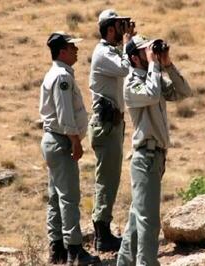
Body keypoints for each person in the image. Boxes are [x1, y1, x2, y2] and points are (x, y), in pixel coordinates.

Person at [117, 35, 192, 266]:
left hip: (156, 156)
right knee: (149, 221)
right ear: (134, 57)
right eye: (144, 50)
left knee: (137, 216)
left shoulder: (154, 77)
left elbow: (183, 92)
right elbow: (150, 94)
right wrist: (153, 65)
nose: (150, 52)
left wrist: (167, 64)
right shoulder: (132, 83)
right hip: (145, 157)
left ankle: (125, 262)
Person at [39, 31, 101, 265]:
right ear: (62, 51)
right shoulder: (62, 77)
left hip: (52, 140)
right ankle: (75, 250)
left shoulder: (54, 74)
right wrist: (75, 141)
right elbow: (65, 114)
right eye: (72, 47)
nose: (76, 50)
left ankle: (57, 249)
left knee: (56, 197)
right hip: (61, 140)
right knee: (69, 197)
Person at [88, 9, 135, 252]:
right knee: (106, 179)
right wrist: (128, 44)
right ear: (109, 29)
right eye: (119, 26)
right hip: (105, 126)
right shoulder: (103, 54)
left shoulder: (111, 52)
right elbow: (126, 69)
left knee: (111, 178)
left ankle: (103, 231)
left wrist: (129, 42)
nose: (123, 29)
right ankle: (102, 235)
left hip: (111, 124)